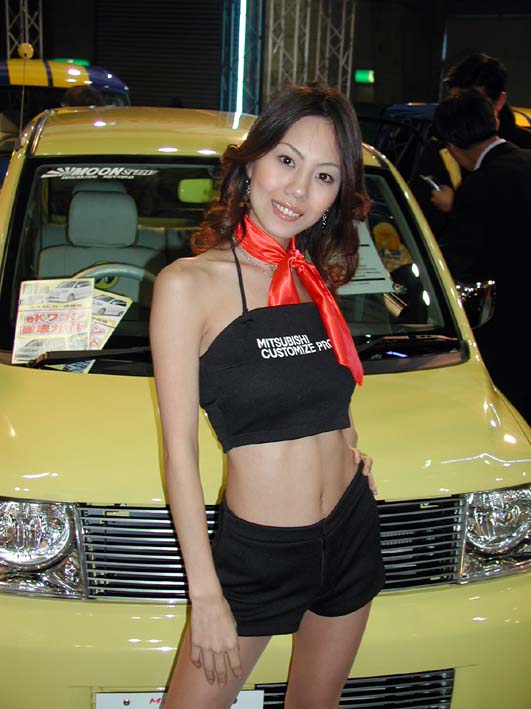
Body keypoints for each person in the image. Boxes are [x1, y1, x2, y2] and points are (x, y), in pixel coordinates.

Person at [149, 83, 385, 708]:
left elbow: (326, 395)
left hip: (350, 529)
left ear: (338, 194)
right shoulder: (186, 286)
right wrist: (205, 594)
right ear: (251, 162)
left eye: (324, 176)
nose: (298, 190)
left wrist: (351, 450)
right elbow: (178, 452)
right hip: (261, 551)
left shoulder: (315, 279)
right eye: (286, 160)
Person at [430, 89, 531, 423]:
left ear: (453, 148)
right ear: (495, 122)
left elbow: (456, 265)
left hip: (508, 338)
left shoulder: (479, 187)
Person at [410, 52, 531, 240]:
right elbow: (418, 221)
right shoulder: (438, 147)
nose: (462, 109)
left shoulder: (524, 147)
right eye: (455, 99)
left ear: (499, 101)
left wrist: (457, 207)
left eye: (473, 100)